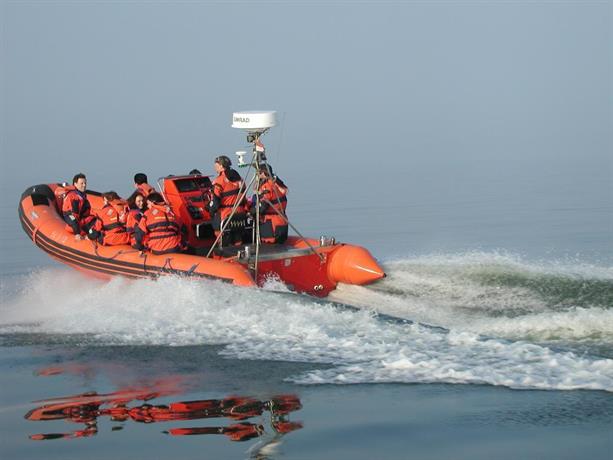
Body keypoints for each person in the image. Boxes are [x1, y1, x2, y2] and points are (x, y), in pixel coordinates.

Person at [208, 155, 247, 246]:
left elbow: (215, 204)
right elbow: (244, 197)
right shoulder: (240, 179)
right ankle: (238, 250)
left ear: (222, 166)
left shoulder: (219, 181)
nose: (215, 167)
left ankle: (221, 255)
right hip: (240, 214)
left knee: (219, 231)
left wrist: (210, 209)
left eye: (216, 165)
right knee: (238, 237)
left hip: (226, 215)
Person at [252, 164, 288, 244]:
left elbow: (263, 207)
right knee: (280, 244)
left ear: (264, 174)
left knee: (269, 244)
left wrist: (252, 212)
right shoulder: (278, 184)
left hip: (271, 224)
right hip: (282, 220)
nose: (257, 175)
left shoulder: (267, 186)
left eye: (258, 173)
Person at [62, 173, 98, 240]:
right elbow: (72, 218)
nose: (84, 185)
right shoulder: (72, 197)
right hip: (73, 224)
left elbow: (86, 213)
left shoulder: (82, 196)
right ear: (75, 184)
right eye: (82, 183)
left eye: (85, 183)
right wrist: (77, 233)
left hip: (81, 220)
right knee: (93, 229)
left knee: (97, 222)